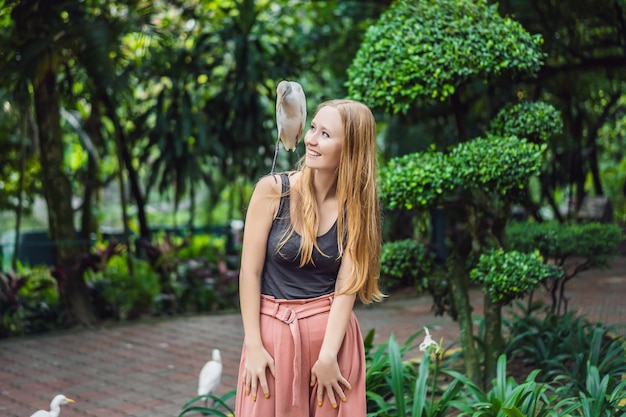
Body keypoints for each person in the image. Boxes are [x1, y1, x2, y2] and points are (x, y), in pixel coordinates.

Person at [234, 99, 384, 417]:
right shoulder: (273, 191)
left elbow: (347, 285)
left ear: (351, 149)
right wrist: (255, 346)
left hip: (331, 343)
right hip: (271, 339)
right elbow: (249, 272)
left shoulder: (356, 208)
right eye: (313, 127)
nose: (311, 139)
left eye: (325, 134)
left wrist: (329, 356)